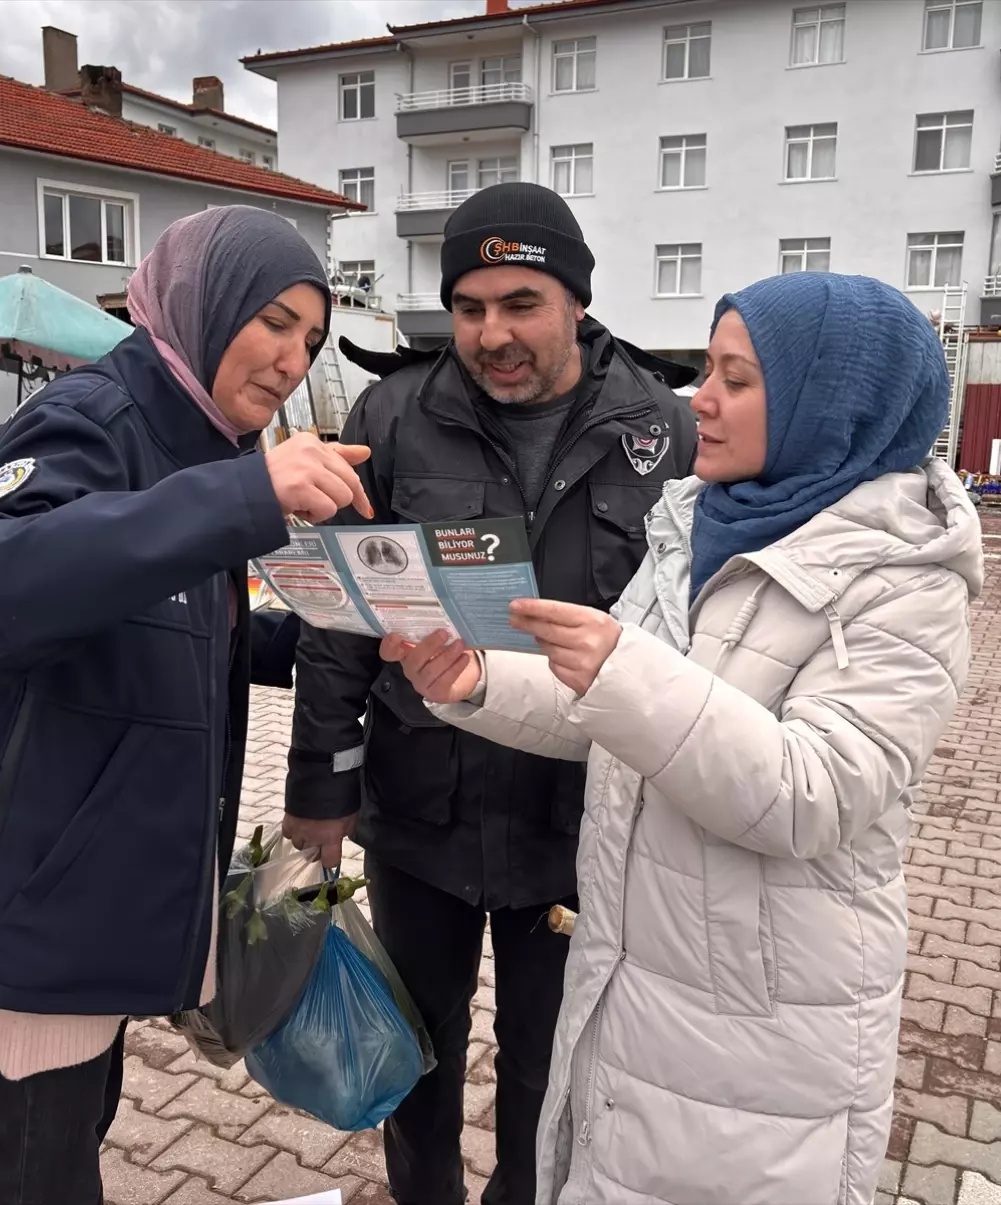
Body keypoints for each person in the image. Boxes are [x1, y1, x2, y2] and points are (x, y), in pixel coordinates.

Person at [385, 273, 983, 1205]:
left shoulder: (903, 578)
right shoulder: (694, 524)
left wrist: (626, 669)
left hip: (765, 1012)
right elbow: (607, 704)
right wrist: (478, 680)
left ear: (830, 405)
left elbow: (813, 790)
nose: (699, 397)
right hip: (636, 971)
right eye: (707, 368)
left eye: (736, 380)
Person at [0, 206, 373, 1205]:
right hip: (33, 903)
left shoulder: (199, 445)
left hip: (99, 902)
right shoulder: (95, 418)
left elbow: (178, 623)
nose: (289, 358)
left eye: (310, 340)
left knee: (75, 1141)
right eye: (274, 321)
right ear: (206, 300)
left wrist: (347, 627)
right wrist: (245, 498)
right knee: (45, 1175)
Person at [282, 183, 697, 1205]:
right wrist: (322, 786)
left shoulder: (662, 427)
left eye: (521, 303)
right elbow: (341, 619)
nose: (492, 332)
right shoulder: (394, 414)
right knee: (413, 1058)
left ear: (577, 302)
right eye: (469, 307)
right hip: (421, 809)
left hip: (580, 822)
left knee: (549, 1070)